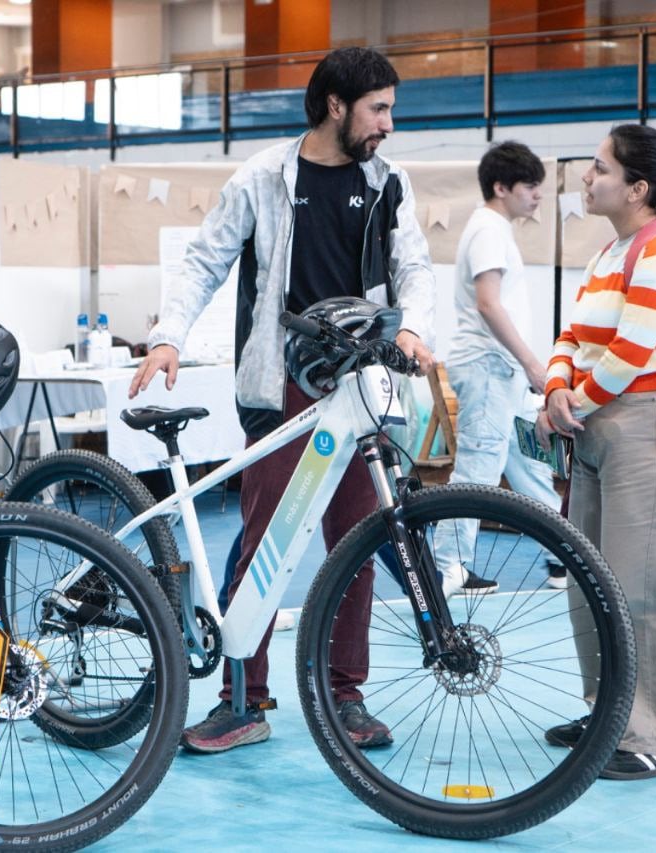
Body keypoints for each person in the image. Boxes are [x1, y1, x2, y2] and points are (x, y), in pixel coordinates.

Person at [129, 46, 436, 754]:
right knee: (262, 542)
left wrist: (413, 328)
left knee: (356, 546)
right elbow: (205, 260)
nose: (389, 124)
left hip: (361, 387)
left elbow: (414, 267)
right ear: (335, 105)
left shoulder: (389, 183)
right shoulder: (264, 176)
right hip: (282, 388)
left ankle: (344, 696)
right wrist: (168, 337)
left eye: (390, 109)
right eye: (378, 109)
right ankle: (243, 699)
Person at [539, 124, 656, 780]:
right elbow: (573, 335)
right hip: (595, 426)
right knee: (592, 582)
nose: (587, 178)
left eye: (600, 168)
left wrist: (570, 402)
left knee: (645, 586)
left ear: (638, 189)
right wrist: (557, 386)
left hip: (645, 427)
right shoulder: (608, 253)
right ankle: (610, 712)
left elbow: (631, 350)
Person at [432, 140, 565, 598]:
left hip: (502, 371)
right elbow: (488, 305)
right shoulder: (488, 230)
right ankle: (447, 568)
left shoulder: (495, 229)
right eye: (530, 186)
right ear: (501, 187)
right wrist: (532, 363)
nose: (538, 195)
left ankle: (561, 556)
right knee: (477, 470)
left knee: (531, 464)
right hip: (490, 367)